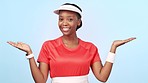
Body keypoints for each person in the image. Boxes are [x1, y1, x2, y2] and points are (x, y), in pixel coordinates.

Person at [7, 3, 136, 83]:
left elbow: (102, 77)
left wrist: (113, 48)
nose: (64, 23)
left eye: (70, 19)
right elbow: (40, 80)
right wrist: (30, 54)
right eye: (61, 19)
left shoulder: (90, 48)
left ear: (78, 22)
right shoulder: (48, 46)